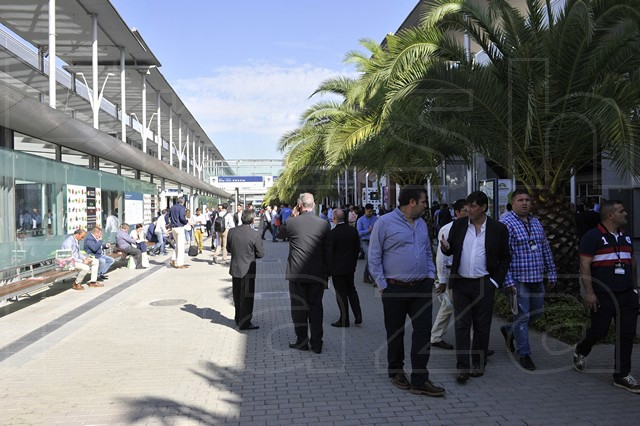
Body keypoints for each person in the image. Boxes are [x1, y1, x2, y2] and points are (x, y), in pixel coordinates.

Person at [368, 186, 445, 397]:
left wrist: (430, 275)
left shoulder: (421, 224)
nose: (426, 205)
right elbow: (374, 256)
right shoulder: (384, 223)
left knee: (423, 333)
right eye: (423, 201)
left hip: (421, 288)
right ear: (412, 202)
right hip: (394, 288)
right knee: (396, 332)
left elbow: (427, 251)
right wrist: (383, 285)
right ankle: (396, 371)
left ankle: (420, 379)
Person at [440, 191, 511, 384]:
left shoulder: (498, 229)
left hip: (484, 283)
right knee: (462, 325)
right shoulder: (459, 225)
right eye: (467, 206)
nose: (468, 210)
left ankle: (478, 363)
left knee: (482, 326)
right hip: (461, 284)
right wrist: (446, 248)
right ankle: (462, 367)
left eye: (472, 206)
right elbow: (451, 250)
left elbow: (506, 257)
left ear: (484, 207)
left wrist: (495, 282)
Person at [573, 200, 640, 393]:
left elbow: (632, 262)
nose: (625, 214)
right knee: (599, 331)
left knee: (626, 334)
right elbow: (584, 265)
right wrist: (589, 293)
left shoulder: (625, 236)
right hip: (603, 294)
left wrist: (635, 289)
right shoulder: (592, 237)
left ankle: (621, 375)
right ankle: (581, 350)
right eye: (621, 211)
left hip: (627, 294)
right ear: (610, 215)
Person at [499, 190, 557, 371]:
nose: (524, 203)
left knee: (537, 313)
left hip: (536, 277)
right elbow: (502, 255)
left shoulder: (536, 222)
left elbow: (545, 248)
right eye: (520, 200)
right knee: (522, 316)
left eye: (527, 200)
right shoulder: (506, 223)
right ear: (512, 203)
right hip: (518, 279)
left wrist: (551, 271)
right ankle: (524, 354)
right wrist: (508, 282)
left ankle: (509, 329)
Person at [278, 193, 332, 354]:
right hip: (317, 274)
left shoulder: (291, 222)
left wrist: (293, 216)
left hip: (297, 274)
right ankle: (317, 343)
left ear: (299, 206)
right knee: (316, 308)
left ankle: (302, 341)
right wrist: (327, 272)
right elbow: (328, 250)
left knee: (299, 309)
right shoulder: (324, 224)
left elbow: (280, 235)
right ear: (313, 205)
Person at [431, 199, 469, 351]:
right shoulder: (447, 229)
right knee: (452, 306)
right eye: (465, 211)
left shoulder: (473, 228)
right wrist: (442, 279)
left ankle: (435, 336)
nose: (468, 213)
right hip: (450, 273)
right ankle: (436, 336)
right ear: (457, 212)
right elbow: (441, 257)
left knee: (453, 306)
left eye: (470, 210)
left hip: (466, 274)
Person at [226, 209, 265, 330]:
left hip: (235, 268)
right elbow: (260, 253)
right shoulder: (255, 234)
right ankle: (245, 322)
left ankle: (238, 318)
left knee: (237, 295)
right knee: (247, 296)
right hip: (248, 269)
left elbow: (228, 249)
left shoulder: (232, 231)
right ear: (253, 220)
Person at [330, 208, 362, 327]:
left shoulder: (332, 234)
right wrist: (353, 262)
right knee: (351, 290)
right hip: (350, 267)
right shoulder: (353, 231)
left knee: (341, 293)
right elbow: (357, 249)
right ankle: (358, 315)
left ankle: (344, 319)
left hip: (337, 269)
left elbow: (329, 252)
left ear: (334, 218)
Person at [356, 203, 378, 284]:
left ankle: (366, 276)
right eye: (369, 211)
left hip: (374, 241)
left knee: (370, 258)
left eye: (371, 211)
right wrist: (368, 231)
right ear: (365, 210)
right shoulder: (360, 220)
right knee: (370, 257)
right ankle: (373, 278)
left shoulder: (376, 219)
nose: (370, 213)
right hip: (364, 241)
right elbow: (359, 232)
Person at [168, 197, 189, 269]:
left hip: (173, 228)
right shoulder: (182, 208)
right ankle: (179, 264)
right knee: (181, 247)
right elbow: (182, 218)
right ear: (183, 202)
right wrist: (186, 222)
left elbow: (167, 217)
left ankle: (173, 259)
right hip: (179, 227)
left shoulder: (172, 207)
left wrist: (169, 224)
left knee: (177, 245)